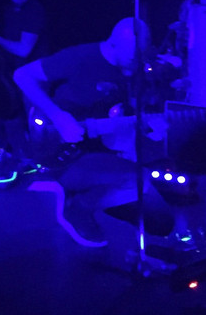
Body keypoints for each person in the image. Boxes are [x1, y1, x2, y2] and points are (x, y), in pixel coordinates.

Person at [14, 18, 168, 247]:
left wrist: (146, 125)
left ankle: (85, 195)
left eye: (140, 58)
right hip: (61, 153)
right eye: (132, 58)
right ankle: (78, 208)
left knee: (162, 218)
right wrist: (58, 117)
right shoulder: (81, 57)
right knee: (140, 179)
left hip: (96, 147)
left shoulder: (129, 69)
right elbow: (22, 75)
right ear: (113, 43)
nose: (136, 64)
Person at [0, 0, 45, 167]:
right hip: (13, 72)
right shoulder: (8, 9)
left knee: (35, 118)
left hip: (35, 74)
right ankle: (21, 157)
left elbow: (24, 50)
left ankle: (41, 160)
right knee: (13, 116)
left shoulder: (34, 10)